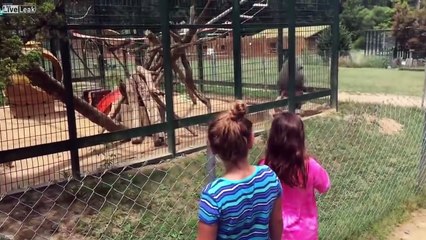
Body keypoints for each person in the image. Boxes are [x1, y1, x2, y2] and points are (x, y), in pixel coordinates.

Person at [196, 101, 283, 240]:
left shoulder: (214, 195)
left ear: (213, 148)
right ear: (250, 140)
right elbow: (277, 222)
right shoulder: (269, 177)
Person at [259, 112, 331, 240]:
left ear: (273, 139)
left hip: (275, 232)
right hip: (305, 232)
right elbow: (325, 185)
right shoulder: (310, 165)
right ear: (300, 138)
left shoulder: (264, 166)